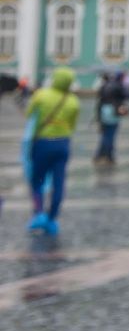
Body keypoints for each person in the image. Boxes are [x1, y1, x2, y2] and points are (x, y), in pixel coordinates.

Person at [24, 67, 80, 236]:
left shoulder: (41, 95)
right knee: (58, 182)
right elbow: (72, 126)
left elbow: (29, 114)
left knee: (37, 180)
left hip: (42, 143)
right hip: (63, 144)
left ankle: (39, 213)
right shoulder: (73, 101)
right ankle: (52, 218)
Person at [94, 79, 126, 166]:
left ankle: (99, 155)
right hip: (113, 112)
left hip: (104, 111)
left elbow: (99, 99)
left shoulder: (103, 87)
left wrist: (98, 117)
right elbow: (123, 96)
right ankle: (109, 156)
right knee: (110, 136)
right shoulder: (118, 86)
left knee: (105, 135)